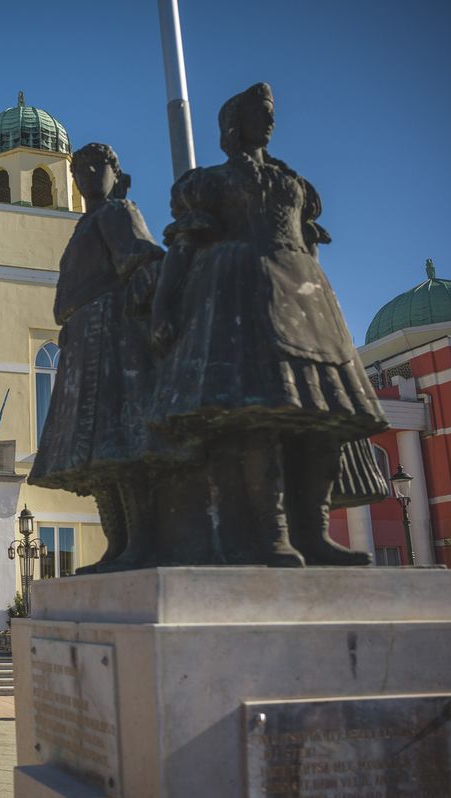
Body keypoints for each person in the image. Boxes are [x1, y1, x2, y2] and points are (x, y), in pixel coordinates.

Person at [149, 82, 387, 566]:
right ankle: (273, 533)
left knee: (322, 420)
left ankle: (314, 532)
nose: (271, 121)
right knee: (261, 417)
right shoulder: (211, 183)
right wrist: (163, 307)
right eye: (261, 113)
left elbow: (310, 245)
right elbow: (184, 248)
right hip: (241, 297)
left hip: (305, 300)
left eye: (272, 113)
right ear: (235, 125)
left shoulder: (294, 184)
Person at [28, 142, 167, 571]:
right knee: (97, 455)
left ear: (113, 170)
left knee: (120, 442)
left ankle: (141, 542)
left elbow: (145, 265)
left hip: (114, 335)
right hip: (82, 340)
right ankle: (118, 545)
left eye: (95, 165)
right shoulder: (83, 226)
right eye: (79, 169)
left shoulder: (118, 213)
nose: (87, 174)